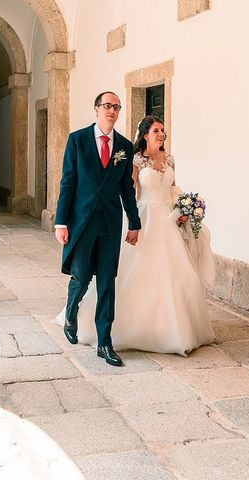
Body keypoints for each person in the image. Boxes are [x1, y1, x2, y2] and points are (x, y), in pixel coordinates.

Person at [57, 115, 215, 355]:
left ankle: (171, 329)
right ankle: (85, 319)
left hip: (168, 220)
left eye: (163, 130)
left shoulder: (170, 159)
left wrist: (183, 209)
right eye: (156, 130)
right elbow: (130, 191)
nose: (161, 134)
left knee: (174, 276)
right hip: (146, 216)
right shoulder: (135, 159)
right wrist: (134, 221)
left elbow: (173, 189)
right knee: (114, 274)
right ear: (145, 134)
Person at [54, 91, 142, 366]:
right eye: (107, 105)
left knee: (107, 282)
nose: (112, 111)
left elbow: (126, 188)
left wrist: (134, 222)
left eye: (116, 107)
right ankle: (71, 312)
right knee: (80, 276)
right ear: (96, 109)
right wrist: (61, 221)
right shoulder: (77, 140)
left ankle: (105, 342)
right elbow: (68, 182)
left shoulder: (125, 147)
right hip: (80, 222)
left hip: (110, 223)